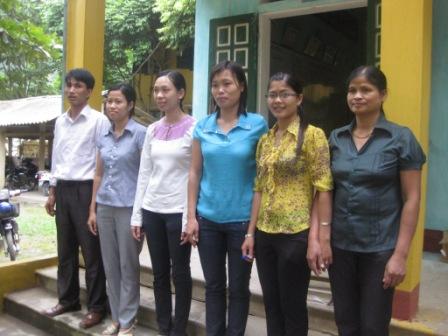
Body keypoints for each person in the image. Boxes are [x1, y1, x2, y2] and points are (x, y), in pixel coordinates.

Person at [328, 65, 426, 336]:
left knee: (373, 326)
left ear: (382, 95)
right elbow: (326, 192)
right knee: (345, 323)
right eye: (352, 90)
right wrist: (322, 238)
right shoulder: (336, 138)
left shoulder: (400, 138)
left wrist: (400, 255)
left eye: (365, 90)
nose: (357, 96)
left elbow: (412, 199)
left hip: (380, 249)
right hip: (341, 246)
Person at [241, 72, 333, 336]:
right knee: (271, 304)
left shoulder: (313, 136)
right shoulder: (265, 141)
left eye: (285, 94)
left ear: (299, 98)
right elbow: (258, 188)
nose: (277, 100)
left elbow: (323, 189)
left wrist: (318, 238)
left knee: (292, 307)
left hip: (297, 233)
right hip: (266, 232)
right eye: (272, 94)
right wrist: (251, 232)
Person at [184, 60, 268, 336]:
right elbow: (195, 172)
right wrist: (191, 216)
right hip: (208, 220)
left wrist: (253, 229)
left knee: (239, 288)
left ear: (241, 87)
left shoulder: (257, 125)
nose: (220, 90)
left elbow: (262, 177)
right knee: (213, 286)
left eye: (227, 83)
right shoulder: (203, 126)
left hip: (242, 222)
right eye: (216, 85)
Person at [43, 68, 109, 329]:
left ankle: (96, 307)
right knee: (65, 250)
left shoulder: (98, 121)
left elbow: (101, 163)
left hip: (86, 190)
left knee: (92, 253)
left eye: (78, 86)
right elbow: (57, 158)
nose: (71, 90)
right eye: (69, 85)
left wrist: (94, 202)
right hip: (64, 189)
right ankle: (68, 299)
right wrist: (52, 190)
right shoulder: (60, 121)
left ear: (89, 91)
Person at [131, 70, 195, 336]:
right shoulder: (152, 130)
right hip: (152, 209)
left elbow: (195, 174)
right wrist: (137, 216)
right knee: (158, 274)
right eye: (156, 90)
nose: (159, 95)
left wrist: (188, 217)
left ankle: (178, 329)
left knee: (180, 272)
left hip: (178, 211)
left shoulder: (194, 128)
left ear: (180, 93)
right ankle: (163, 326)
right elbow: (145, 172)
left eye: (165, 89)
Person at [87, 83, 146, 335]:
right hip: (105, 207)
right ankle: (117, 317)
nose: (112, 105)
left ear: (130, 105)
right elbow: (98, 174)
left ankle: (129, 319)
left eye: (118, 101)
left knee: (128, 265)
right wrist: (92, 209)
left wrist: (141, 213)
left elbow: (146, 175)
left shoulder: (142, 134)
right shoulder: (103, 136)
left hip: (130, 208)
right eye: (110, 101)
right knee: (110, 265)